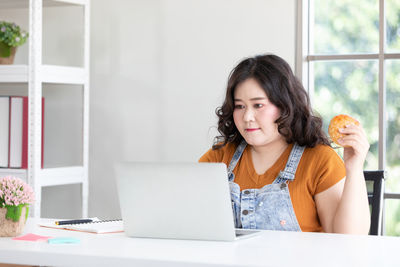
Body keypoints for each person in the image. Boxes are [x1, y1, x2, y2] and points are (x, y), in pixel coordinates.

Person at [199, 54, 371, 234]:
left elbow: (349, 241)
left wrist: (355, 169)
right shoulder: (219, 157)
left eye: (258, 105)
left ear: (285, 106)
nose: (247, 117)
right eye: (239, 106)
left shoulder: (320, 160)